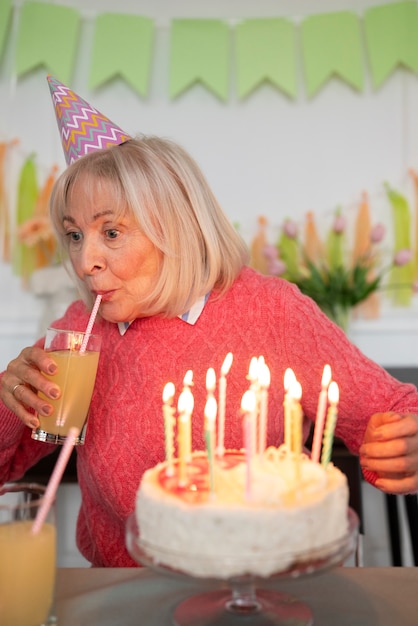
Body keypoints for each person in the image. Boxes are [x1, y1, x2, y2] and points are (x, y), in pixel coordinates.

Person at [1, 79, 418, 567]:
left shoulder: (271, 311)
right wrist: (9, 400)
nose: (83, 260)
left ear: (175, 225)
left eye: (110, 232)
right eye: (74, 235)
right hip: (124, 596)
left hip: (264, 587)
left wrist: (408, 443)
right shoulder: (79, 331)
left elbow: (394, 408)